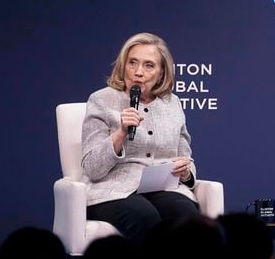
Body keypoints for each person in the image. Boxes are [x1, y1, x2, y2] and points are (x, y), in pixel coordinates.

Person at [81, 32, 199, 244]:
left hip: (160, 188)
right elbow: (92, 168)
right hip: (113, 191)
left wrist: (185, 173)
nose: (138, 72)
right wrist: (120, 133)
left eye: (148, 65)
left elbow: (186, 157)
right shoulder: (101, 100)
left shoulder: (172, 104)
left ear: (162, 72)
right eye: (132, 63)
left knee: (188, 218)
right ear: (123, 65)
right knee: (146, 218)